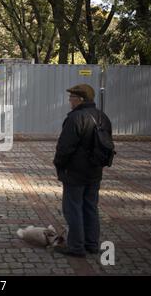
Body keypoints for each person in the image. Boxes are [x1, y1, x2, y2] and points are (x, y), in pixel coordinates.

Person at [53, 84, 113, 257]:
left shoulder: (75, 118)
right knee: (90, 207)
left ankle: (76, 247)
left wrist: (59, 164)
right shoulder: (103, 117)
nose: (69, 101)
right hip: (94, 172)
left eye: (71, 98)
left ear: (80, 99)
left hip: (75, 172)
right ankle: (92, 244)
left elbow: (64, 148)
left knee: (73, 209)